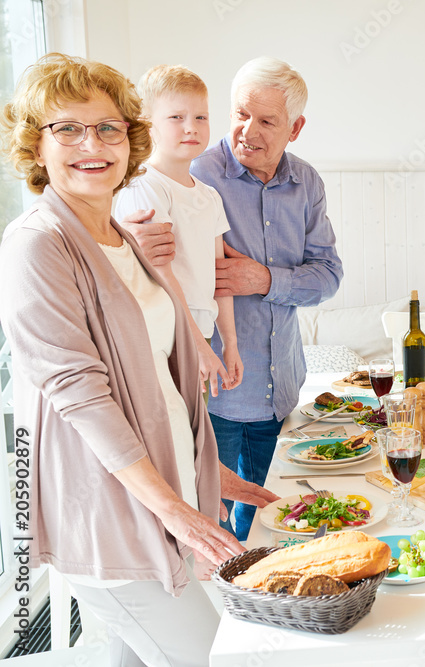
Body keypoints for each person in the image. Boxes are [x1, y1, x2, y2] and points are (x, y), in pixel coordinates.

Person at [0, 53, 278, 665]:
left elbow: (155, 377)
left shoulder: (121, 239)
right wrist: (175, 508)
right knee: (215, 657)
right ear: (35, 145)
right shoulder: (36, 245)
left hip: (155, 496)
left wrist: (209, 472)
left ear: (130, 139)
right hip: (111, 513)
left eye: (108, 127)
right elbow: (82, 394)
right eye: (66, 128)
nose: (91, 144)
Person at [129, 57, 343, 540]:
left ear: (296, 128)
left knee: (273, 523)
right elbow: (146, 273)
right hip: (212, 396)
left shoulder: (306, 183)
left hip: (280, 389)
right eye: (239, 114)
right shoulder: (192, 173)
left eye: (267, 121)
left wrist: (263, 279)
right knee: (214, 529)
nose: (247, 131)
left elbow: (329, 276)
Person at [115, 64, 242, 397]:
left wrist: (230, 342)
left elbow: (221, 275)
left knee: (194, 438)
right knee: (174, 439)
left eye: (201, 117)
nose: (192, 127)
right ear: (148, 125)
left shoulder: (209, 195)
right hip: (166, 337)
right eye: (176, 117)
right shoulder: (145, 188)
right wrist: (198, 347)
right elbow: (162, 275)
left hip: (199, 333)